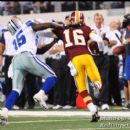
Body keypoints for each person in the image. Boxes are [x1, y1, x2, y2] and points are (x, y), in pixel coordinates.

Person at [0, 15, 61, 125]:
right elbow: (42, 26)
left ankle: (4, 112)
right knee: (52, 76)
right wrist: (55, 24)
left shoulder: (17, 36)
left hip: (16, 60)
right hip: (26, 56)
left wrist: (54, 41)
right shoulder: (27, 24)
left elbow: (40, 51)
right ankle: (40, 94)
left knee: (16, 90)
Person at [52, 11, 103, 122]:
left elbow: (49, 32)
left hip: (74, 60)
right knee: (96, 79)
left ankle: (93, 109)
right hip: (86, 56)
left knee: (82, 88)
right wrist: (100, 49)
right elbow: (98, 39)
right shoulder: (85, 28)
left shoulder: (64, 30)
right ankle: (96, 85)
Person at [122, 13, 130, 109]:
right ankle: (128, 102)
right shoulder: (126, 29)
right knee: (127, 80)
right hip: (127, 56)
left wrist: (127, 41)